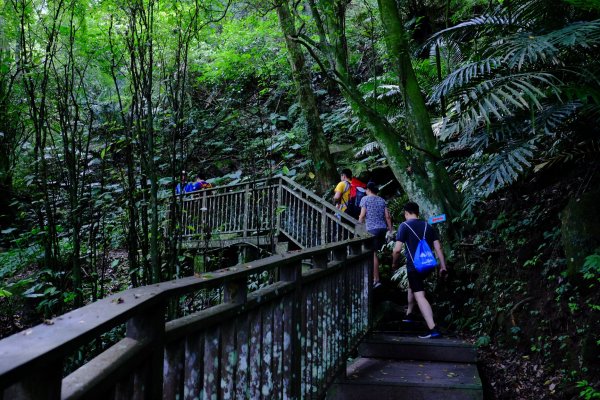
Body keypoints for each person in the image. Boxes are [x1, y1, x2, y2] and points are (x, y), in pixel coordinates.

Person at [392, 201, 448, 338]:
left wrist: (394, 263)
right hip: (428, 266)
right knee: (413, 286)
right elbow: (438, 247)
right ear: (418, 212)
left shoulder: (404, 226)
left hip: (414, 267)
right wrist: (443, 266)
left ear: (406, 213)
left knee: (420, 295)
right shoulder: (428, 226)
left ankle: (433, 328)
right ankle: (409, 313)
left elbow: (397, 250)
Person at [358, 182, 393, 289]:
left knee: (372, 254)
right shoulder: (381, 200)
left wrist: (358, 227)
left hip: (372, 229)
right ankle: (383, 274)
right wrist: (390, 230)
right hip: (382, 229)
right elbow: (387, 216)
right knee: (376, 252)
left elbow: (362, 215)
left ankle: (376, 280)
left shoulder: (365, 199)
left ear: (368, 189)